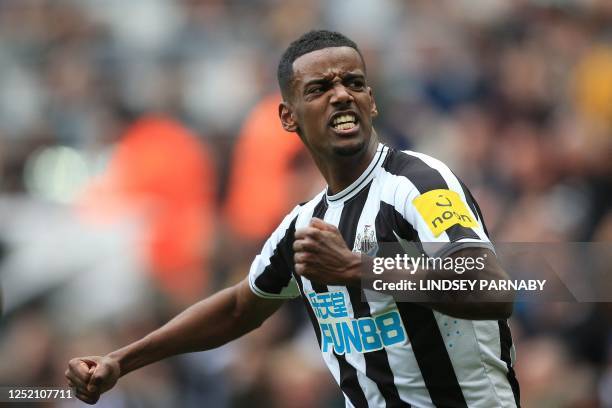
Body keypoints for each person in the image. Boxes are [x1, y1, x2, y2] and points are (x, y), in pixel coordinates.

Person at [66, 30, 520, 407]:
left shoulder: (417, 183)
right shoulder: (304, 225)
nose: (342, 94)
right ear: (288, 116)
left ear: (372, 102)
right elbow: (239, 308)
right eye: (320, 89)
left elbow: (492, 287)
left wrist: (355, 269)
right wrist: (121, 361)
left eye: (354, 83)